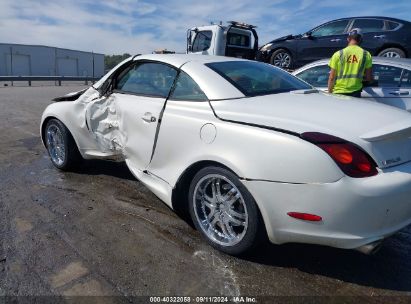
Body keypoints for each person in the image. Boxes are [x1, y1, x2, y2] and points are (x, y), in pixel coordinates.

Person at [328, 28, 373, 97]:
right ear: (361, 40)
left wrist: (329, 93)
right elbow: (369, 78)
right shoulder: (366, 55)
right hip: (355, 93)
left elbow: (331, 78)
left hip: (339, 92)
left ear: (348, 39)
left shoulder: (338, 54)